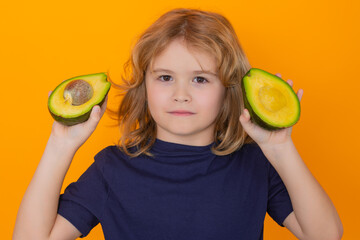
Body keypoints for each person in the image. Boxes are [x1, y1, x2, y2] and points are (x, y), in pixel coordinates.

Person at [13, 8, 343, 240]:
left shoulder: (256, 164)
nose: (180, 94)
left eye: (200, 79)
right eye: (166, 77)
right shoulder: (110, 170)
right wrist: (60, 145)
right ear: (145, 85)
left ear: (228, 88)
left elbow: (325, 234)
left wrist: (281, 148)